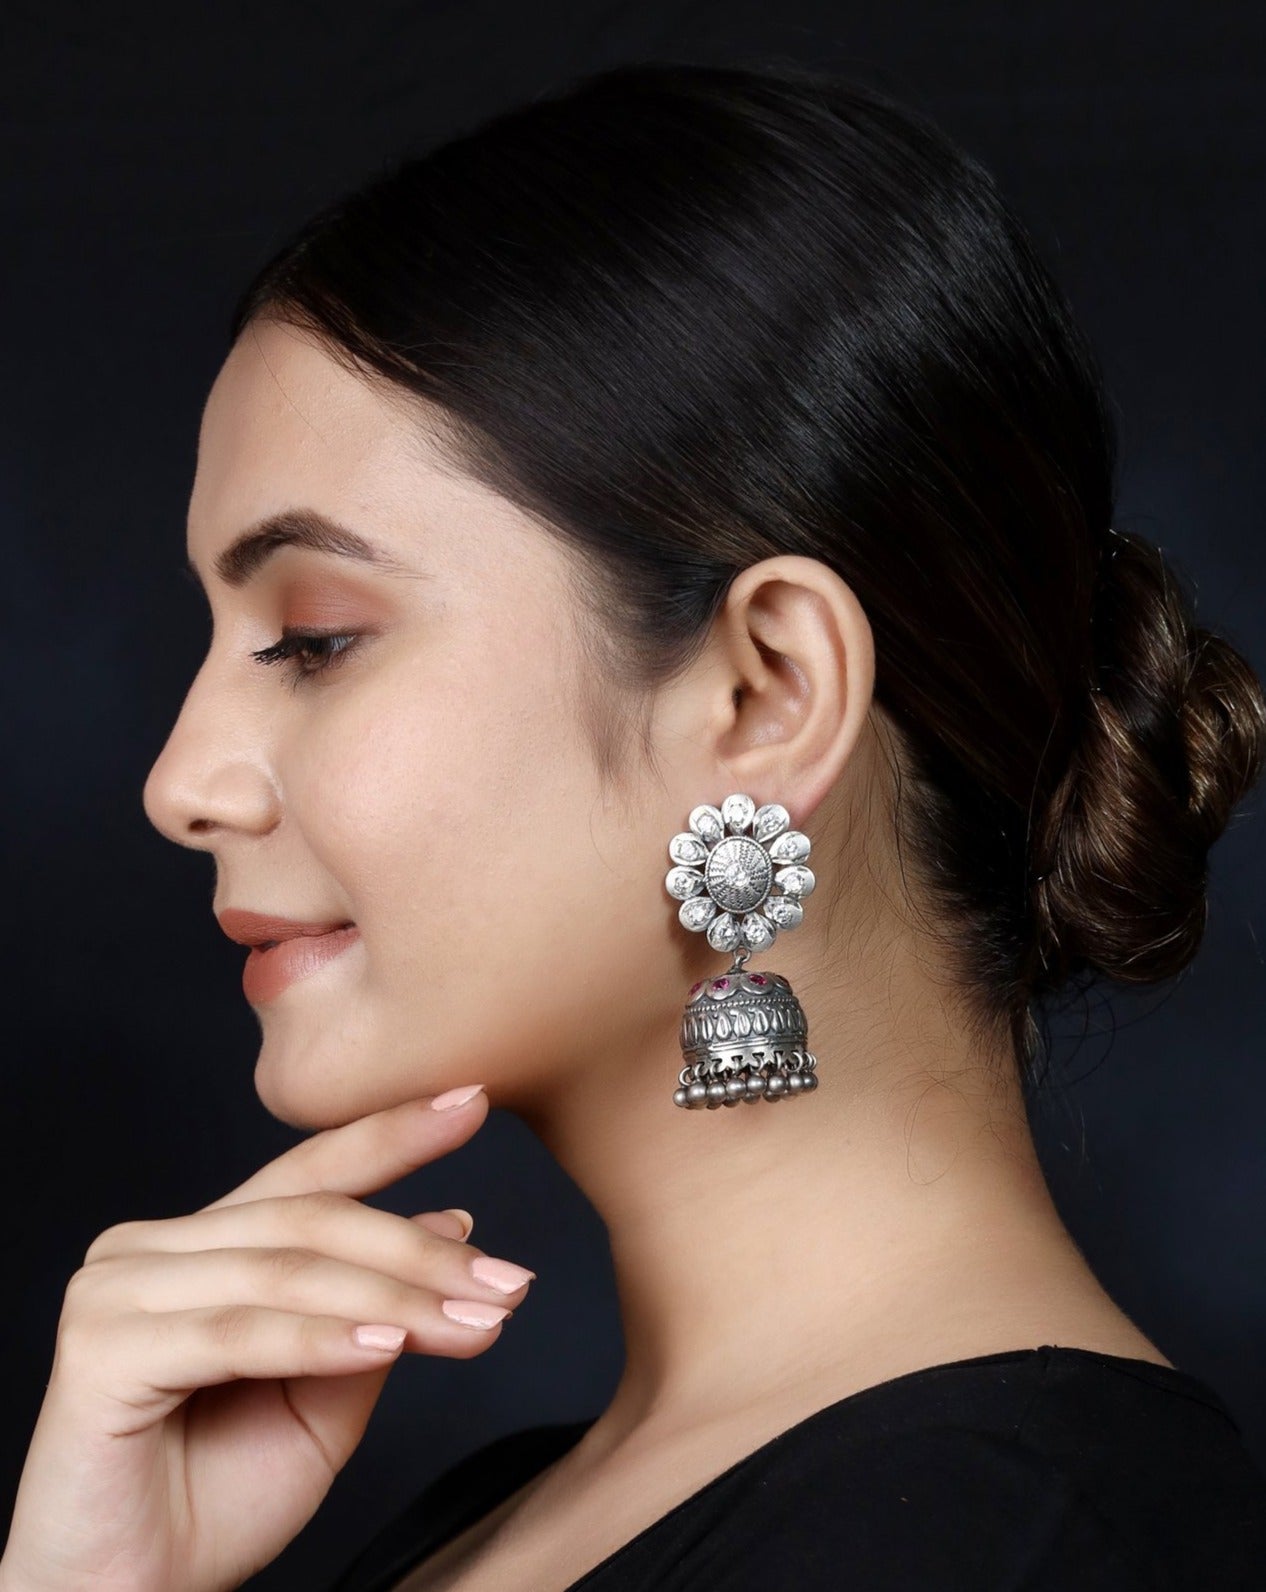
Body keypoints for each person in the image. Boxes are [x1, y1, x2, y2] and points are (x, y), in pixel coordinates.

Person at [3, 57, 1265, 1592]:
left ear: (764, 693)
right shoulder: (507, 1509)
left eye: (315, 639)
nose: (180, 781)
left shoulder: (1008, 1545)